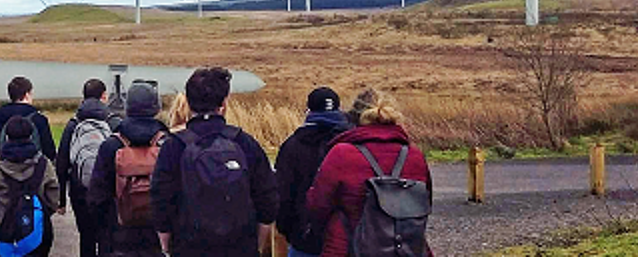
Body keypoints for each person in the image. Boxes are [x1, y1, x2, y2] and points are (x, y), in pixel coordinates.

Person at [151, 67, 279, 257]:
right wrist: (256, 245)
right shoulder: (244, 143)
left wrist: (167, 246)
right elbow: (267, 199)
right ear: (224, 103)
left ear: (187, 101)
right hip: (240, 247)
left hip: (189, 247)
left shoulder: (174, 147)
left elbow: (161, 201)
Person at [305, 91, 433, 257]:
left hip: (348, 248)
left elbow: (318, 205)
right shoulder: (414, 156)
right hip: (406, 249)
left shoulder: (342, 154)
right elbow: (425, 203)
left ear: (353, 118)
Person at [87, 81, 170, 257]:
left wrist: (106, 230)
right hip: (157, 238)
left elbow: (96, 198)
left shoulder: (111, 146)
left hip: (118, 237)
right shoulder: (168, 145)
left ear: (127, 107)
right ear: (156, 108)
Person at [274, 87, 351, 257]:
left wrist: (288, 231)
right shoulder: (352, 144)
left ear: (309, 111)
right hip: (347, 240)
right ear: (338, 110)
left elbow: (283, 194)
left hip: (305, 239)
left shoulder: (293, 145)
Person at [57, 78, 123, 257]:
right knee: (106, 236)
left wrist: (61, 199)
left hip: (79, 190)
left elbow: (61, 163)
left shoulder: (73, 124)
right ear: (104, 97)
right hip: (107, 190)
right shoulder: (113, 122)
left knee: (86, 236)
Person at [0, 116, 63, 256]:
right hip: (37, 232)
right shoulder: (44, 164)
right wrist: (40, 212)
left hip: (6, 232)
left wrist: (2, 215)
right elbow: (53, 198)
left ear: (6, 136)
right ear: (31, 136)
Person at [0, 76, 57, 165]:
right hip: (34, 175)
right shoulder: (39, 120)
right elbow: (50, 154)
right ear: (27, 95)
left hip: (3, 175)